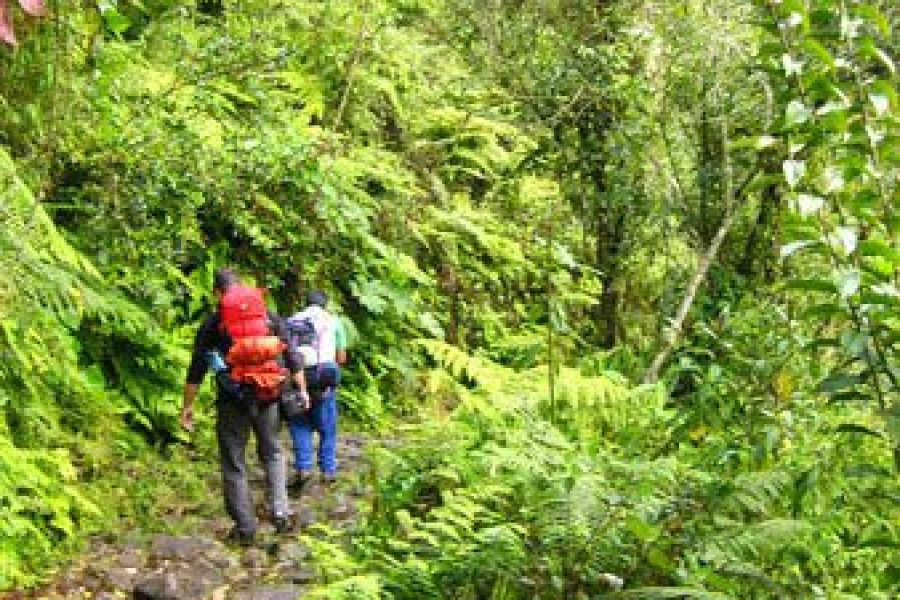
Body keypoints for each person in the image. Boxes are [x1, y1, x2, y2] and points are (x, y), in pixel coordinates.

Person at [180, 268, 309, 545]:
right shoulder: (268, 317)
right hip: (269, 395)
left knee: (234, 461)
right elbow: (291, 354)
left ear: (217, 293)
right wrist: (302, 389)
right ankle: (281, 512)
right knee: (273, 452)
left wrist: (187, 407)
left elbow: (196, 369)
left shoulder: (214, 324)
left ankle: (245, 527)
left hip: (232, 399)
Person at [286, 290, 348, 490]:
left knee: (299, 422)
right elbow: (341, 358)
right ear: (325, 305)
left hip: (297, 377)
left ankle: (304, 467)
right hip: (323, 378)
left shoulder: (292, 321)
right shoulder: (333, 321)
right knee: (327, 427)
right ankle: (328, 471)